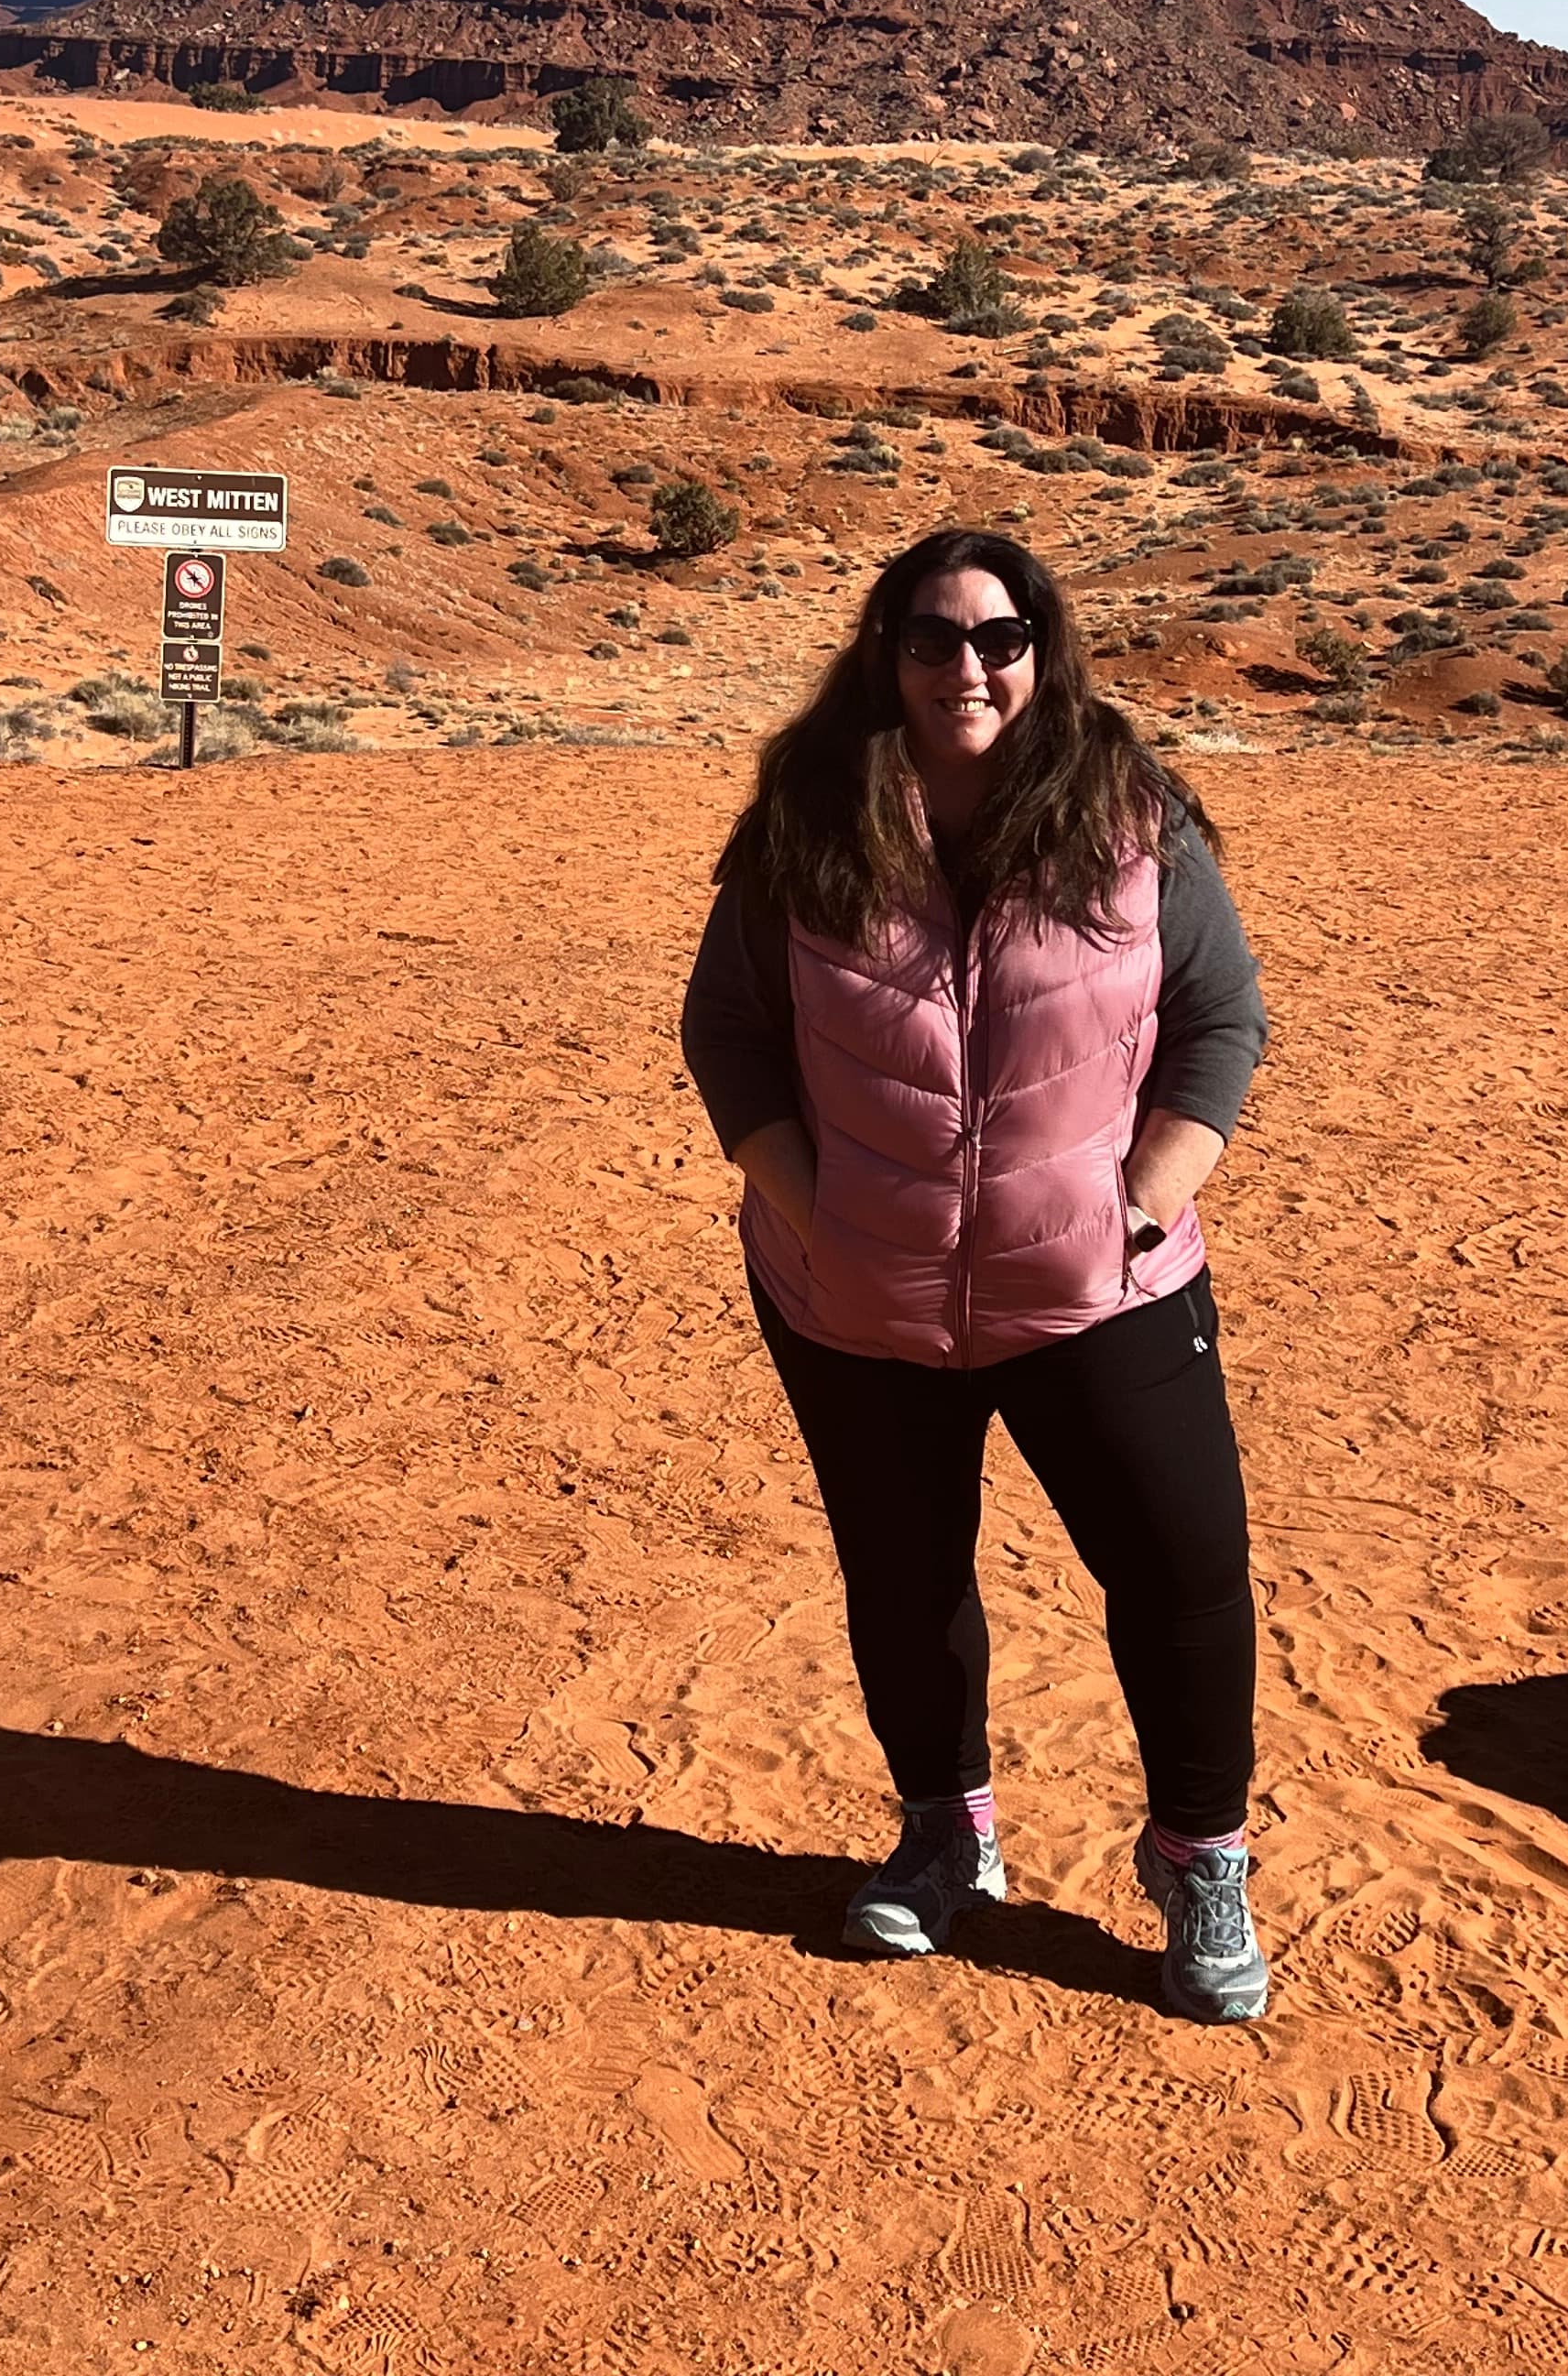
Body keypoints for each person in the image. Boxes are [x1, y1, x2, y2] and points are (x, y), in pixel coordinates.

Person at [680, 524, 1272, 2022]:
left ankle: (1200, 1861)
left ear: (1042, 651)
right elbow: (730, 1028)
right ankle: (947, 1838)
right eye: (934, 638)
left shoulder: (1129, 817)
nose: (968, 667)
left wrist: (1146, 1196)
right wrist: (808, 1211)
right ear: (887, 653)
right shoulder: (807, 821)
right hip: (856, 1295)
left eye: (998, 639)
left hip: (1098, 1284)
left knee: (1181, 1578)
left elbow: (1219, 1017)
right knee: (905, 1578)